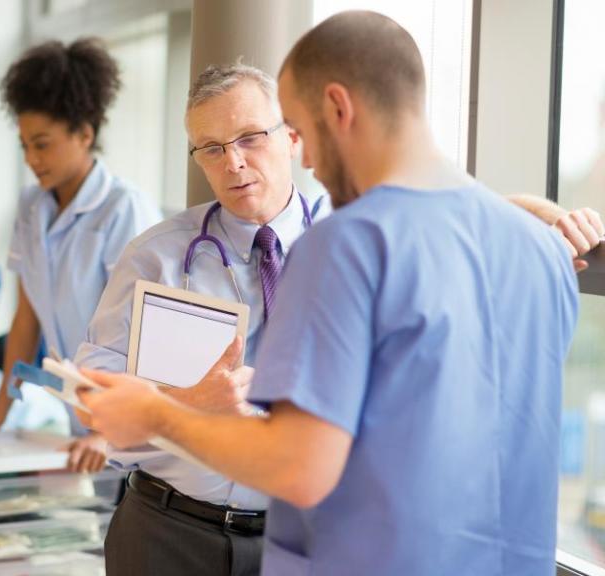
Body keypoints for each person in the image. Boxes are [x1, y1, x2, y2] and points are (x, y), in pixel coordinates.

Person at [80, 11, 603, 576]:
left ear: (336, 108)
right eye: (210, 148)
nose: (306, 158)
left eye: (291, 130)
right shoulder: (534, 247)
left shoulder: (346, 243)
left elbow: (300, 468)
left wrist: (160, 412)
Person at [74, 63, 329, 576]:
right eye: (210, 148)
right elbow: (90, 398)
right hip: (169, 533)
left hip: (304, 540)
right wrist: (183, 403)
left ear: (293, 137)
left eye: (250, 138)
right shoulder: (158, 257)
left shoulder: (350, 248)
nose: (232, 162)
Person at [0, 38, 161, 473]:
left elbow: (147, 335)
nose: (31, 158)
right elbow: (26, 316)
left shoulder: (124, 209)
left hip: (130, 431)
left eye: (42, 144)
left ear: (85, 134)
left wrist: (108, 432)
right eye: (25, 145)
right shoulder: (32, 207)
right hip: (79, 420)